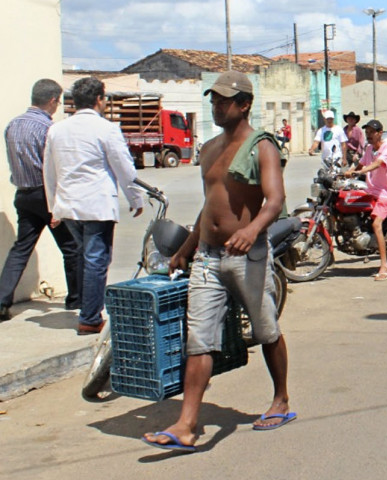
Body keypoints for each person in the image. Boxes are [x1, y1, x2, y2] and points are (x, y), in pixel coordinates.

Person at [142, 71, 293, 452]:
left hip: (249, 255)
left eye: (224, 101)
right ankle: (187, 424)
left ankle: (281, 399)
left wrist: (252, 229)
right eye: (213, 100)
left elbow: (274, 199)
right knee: (199, 339)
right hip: (208, 258)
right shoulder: (208, 148)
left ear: (245, 105)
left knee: (266, 331)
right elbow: (210, 206)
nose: (216, 106)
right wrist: (187, 247)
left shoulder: (262, 147)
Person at [43, 77, 144, 335]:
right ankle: (89, 317)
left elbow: (49, 172)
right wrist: (135, 198)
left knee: (87, 258)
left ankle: (89, 310)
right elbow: (124, 167)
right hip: (96, 205)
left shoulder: (57, 130)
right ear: (99, 99)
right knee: (96, 260)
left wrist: (53, 206)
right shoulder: (106, 129)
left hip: (68, 206)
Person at [0, 79, 83, 321]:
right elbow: (55, 168)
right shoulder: (49, 129)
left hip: (23, 194)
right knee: (72, 247)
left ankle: (2, 300)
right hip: (45, 194)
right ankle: (76, 300)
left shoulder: (13, 125)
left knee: (21, 249)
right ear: (52, 101)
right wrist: (58, 203)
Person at [344, 119, 387, 281]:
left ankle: (384, 266)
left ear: (380, 133)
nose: (369, 135)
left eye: (372, 132)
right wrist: (349, 171)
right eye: (367, 133)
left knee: (376, 224)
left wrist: (358, 172)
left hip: (385, 194)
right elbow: (360, 165)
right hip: (370, 191)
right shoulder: (369, 149)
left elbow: (376, 165)